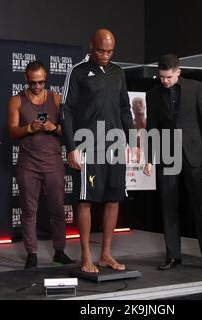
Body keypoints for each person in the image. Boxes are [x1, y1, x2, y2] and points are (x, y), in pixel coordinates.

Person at [60, 29, 134, 273]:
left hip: (114, 145)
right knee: (86, 199)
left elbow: (125, 108)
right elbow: (66, 111)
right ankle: (86, 257)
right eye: (101, 50)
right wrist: (71, 148)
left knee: (114, 198)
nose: (105, 55)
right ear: (91, 46)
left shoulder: (118, 72)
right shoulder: (78, 71)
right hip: (87, 144)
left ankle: (106, 255)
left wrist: (132, 140)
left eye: (110, 51)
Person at [143, 54, 202, 273]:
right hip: (168, 156)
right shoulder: (154, 93)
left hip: (194, 153)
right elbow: (152, 128)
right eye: (161, 77)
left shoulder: (196, 87)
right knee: (169, 207)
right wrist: (149, 158)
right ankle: (173, 256)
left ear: (178, 71)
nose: (164, 81)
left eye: (168, 77)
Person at [8, 60, 74, 269]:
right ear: (26, 79)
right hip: (28, 164)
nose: (37, 86)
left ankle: (59, 251)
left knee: (57, 209)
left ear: (46, 79)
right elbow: (11, 131)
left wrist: (54, 127)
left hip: (53, 163)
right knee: (29, 211)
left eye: (41, 82)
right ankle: (32, 254)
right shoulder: (16, 100)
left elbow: (68, 131)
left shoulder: (55, 98)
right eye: (32, 82)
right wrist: (29, 128)